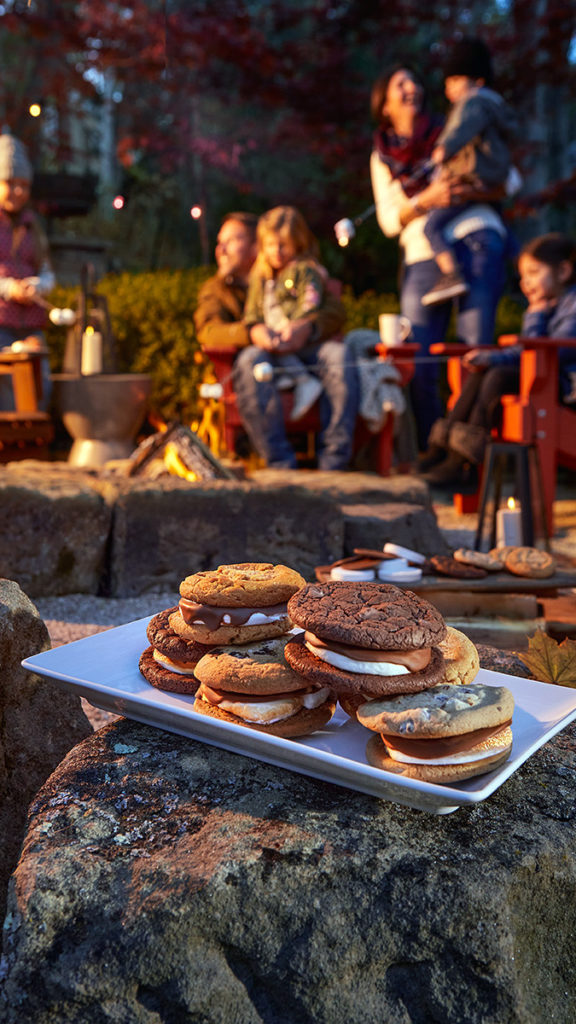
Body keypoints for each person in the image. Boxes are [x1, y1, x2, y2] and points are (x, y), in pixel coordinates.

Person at [370, 52, 511, 449]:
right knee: (419, 363)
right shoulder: (382, 156)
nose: (412, 87)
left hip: (478, 238)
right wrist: (428, 199)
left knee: (473, 354)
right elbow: (387, 220)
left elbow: (510, 180)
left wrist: (464, 191)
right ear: (384, 104)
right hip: (421, 256)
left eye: (413, 81)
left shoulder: (457, 125)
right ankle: (436, 454)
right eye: (401, 84)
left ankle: (470, 456)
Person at [194, 212, 357, 470]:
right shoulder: (217, 290)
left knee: (340, 356)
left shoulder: (301, 272)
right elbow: (208, 331)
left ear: (255, 244)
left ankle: (334, 461)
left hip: (306, 349)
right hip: (262, 355)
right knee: (251, 360)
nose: (221, 249)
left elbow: (334, 312)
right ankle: (279, 463)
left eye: (232, 240)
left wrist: (308, 327)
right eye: (219, 242)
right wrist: (250, 333)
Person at [421, 233, 576, 489]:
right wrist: (490, 357)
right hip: (545, 383)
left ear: (563, 270)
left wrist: (534, 317)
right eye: (523, 276)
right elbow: (529, 351)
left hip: (563, 391)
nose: (526, 283)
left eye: (534, 272)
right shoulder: (551, 305)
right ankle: (445, 449)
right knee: (485, 371)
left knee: (498, 374)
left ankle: (462, 462)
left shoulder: (569, 306)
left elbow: (553, 354)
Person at [421, 38, 518, 306]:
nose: (448, 88)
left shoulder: (472, 104)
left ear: (477, 81)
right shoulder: (495, 109)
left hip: (471, 178)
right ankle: (523, 268)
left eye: (454, 80)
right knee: (507, 231)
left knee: (431, 226)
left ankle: (450, 274)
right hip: (491, 180)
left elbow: (461, 127)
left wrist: (443, 149)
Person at [243, 206, 331, 421]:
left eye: (283, 245)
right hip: (270, 338)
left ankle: (300, 379)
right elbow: (252, 312)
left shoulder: (304, 270)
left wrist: (300, 324)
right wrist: (256, 328)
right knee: (261, 354)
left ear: (297, 242)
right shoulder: (259, 275)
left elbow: (310, 302)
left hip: (293, 335)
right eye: (271, 245)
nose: (276, 251)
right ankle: (289, 376)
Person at [0, 133, 55, 411]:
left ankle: (33, 443)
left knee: (39, 385)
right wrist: (9, 288)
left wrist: (37, 285)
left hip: (31, 323)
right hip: (2, 322)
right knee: (7, 388)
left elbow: (47, 271)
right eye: (10, 183)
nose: (18, 191)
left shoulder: (33, 226)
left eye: (23, 185)